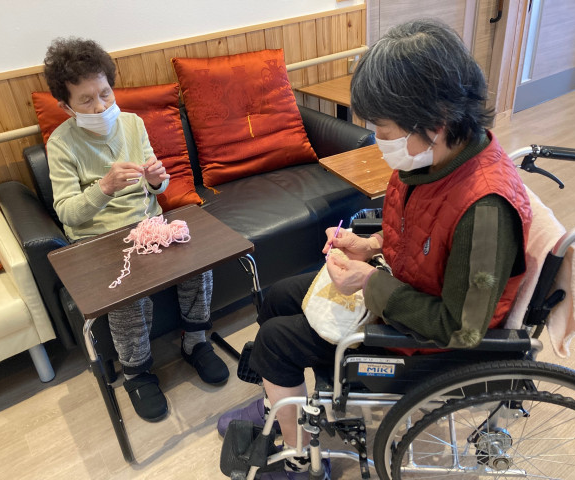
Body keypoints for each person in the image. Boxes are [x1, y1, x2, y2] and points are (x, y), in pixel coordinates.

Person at [218, 19, 532, 479]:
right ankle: (280, 400)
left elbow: (460, 329)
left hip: (430, 347)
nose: (377, 138)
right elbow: (425, 233)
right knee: (280, 296)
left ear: (435, 122)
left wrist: (369, 283)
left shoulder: (485, 209)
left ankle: (299, 460)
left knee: (275, 340)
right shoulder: (436, 158)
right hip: (407, 290)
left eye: (383, 127)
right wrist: (368, 245)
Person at [43, 37, 229, 422]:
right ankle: (137, 372)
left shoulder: (131, 123)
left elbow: (155, 185)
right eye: (86, 101)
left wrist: (159, 181)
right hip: (99, 238)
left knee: (197, 263)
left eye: (105, 94)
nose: (101, 107)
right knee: (129, 294)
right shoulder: (61, 143)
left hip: (148, 224)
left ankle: (196, 342)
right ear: (65, 106)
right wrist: (104, 187)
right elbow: (68, 213)